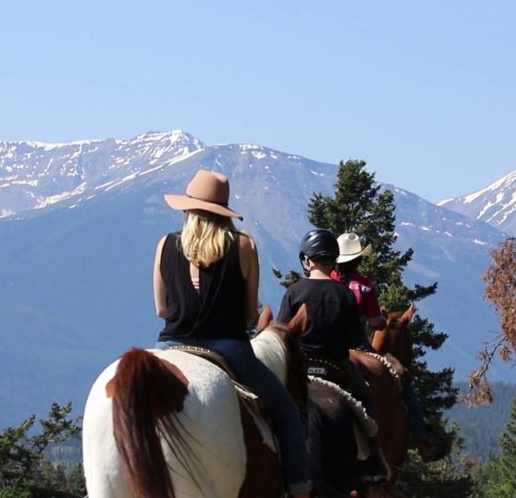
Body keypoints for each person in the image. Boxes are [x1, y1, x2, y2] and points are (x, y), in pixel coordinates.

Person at [153, 169, 311, 498]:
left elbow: (162, 310)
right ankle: (299, 490)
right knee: (287, 414)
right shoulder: (243, 245)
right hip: (228, 348)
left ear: (188, 209)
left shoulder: (166, 245)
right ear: (224, 212)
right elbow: (248, 313)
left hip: (170, 346)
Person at [277, 228, 388, 482]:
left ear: (306, 260)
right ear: (333, 260)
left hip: (301, 369)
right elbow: (354, 340)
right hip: (336, 367)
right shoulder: (345, 294)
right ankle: (372, 458)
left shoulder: (294, 291)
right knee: (366, 398)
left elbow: (283, 334)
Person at [334, 231, 448, 462]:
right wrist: (382, 320)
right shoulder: (364, 287)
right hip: (356, 344)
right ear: (358, 260)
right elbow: (376, 323)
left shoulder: (327, 282)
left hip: (324, 344)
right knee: (401, 380)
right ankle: (421, 436)